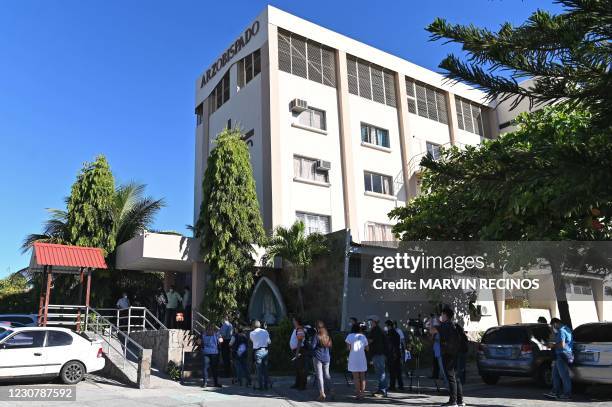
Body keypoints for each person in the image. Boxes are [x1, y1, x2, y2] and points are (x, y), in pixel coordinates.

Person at [438, 306, 464, 407]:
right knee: (456, 377)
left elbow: (443, 338)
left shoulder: (445, 325)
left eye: (442, 314)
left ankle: (453, 401)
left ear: (445, 315)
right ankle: (460, 401)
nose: (441, 316)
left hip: (448, 353)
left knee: (451, 377)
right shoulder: (455, 325)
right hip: (455, 353)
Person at [545, 318, 573, 400]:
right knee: (555, 375)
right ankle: (555, 392)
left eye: (552, 326)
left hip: (562, 354)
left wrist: (552, 345)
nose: (553, 328)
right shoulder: (567, 329)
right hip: (562, 355)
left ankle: (567, 395)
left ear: (555, 324)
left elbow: (562, 345)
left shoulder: (561, 331)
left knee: (564, 376)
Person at [310, 320, 334, 401]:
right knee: (327, 375)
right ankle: (332, 390)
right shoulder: (327, 336)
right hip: (327, 357)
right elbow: (330, 347)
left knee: (319, 376)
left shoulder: (316, 336)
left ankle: (322, 393)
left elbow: (312, 347)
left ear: (316, 328)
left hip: (318, 357)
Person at [346, 323, 368, 399]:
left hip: (353, 358)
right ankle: (363, 393)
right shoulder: (363, 336)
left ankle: (358, 394)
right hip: (362, 358)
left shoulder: (349, 336)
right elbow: (367, 348)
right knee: (363, 377)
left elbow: (348, 348)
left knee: (356, 377)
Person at [367, 315, 388, 397]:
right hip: (379, 354)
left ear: (374, 322)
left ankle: (383, 391)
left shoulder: (376, 330)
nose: (369, 323)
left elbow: (370, 341)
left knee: (381, 373)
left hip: (378, 354)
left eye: (370, 321)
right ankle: (380, 390)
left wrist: (362, 339)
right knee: (380, 373)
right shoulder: (377, 329)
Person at [250, 320, 271, 390]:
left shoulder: (252, 333)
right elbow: (269, 342)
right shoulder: (265, 331)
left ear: (253, 326)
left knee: (259, 370)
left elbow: (253, 341)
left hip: (258, 351)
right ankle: (266, 385)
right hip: (265, 351)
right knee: (265, 369)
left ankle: (260, 386)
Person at [289, 317, 307, 390]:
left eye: (293, 320)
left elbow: (300, 341)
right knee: (297, 368)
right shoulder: (296, 329)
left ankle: (302, 385)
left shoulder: (299, 329)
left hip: (299, 351)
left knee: (301, 368)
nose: (292, 321)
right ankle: (297, 383)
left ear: (296, 321)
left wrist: (297, 352)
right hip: (296, 350)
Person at [385, 320, 403, 391]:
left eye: (386, 326)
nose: (386, 327)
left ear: (389, 326)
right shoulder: (396, 333)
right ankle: (400, 385)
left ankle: (392, 386)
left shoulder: (390, 333)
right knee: (398, 371)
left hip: (392, 354)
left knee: (392, 371)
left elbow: (389, 344)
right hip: (397, 353)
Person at [455, 320, 469, 385]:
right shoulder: (462, 334)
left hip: (460, 352)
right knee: (462, 367)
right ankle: (462, 380)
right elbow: (466, 342)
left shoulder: (457, 335)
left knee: (459, 367)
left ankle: (460, 381)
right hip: (464, 351)